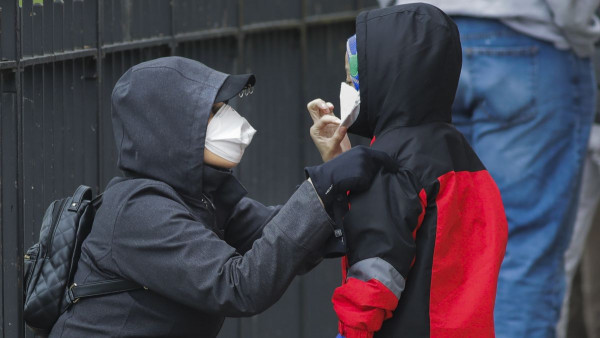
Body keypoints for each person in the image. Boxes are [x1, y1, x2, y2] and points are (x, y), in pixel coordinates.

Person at [48, 56, 395, 338]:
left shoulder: (198, 194)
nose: (230, 118)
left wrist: (334, 167)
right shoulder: (139, 209)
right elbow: (240, 285)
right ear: (167, 128)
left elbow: (284, 244)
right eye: (212, 112)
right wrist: (320, 187)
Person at [386, 0, 600, 336]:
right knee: (521, 250)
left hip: (422, 38)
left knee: (430, 247)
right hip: (527, 35)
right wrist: (577, 26)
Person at [306, 4, 508, 337]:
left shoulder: (391, 161)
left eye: (353, 78)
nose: (348, 87)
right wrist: (344, 162)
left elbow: (374, 272)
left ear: (385, 75)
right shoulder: (463, 155)